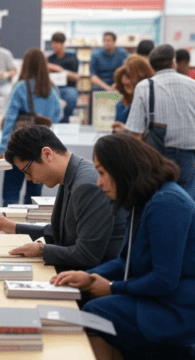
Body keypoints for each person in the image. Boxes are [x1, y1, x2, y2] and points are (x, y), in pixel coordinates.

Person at [51, 133, 195, 359]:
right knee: (87, 303)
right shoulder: (144, 200)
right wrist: (86, 276)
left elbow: (164, 280)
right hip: (160, 301)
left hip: (177, 310)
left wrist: (111, 287)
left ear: (122, 169)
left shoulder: (167, 203)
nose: (98, 182)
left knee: (94, 312)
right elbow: (124, 261)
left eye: (102, 173)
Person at [0, 125, 126, 272]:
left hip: (97, 278)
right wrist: (13, 227)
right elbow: (60, 235)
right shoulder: (72, 175)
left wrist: (42, 250)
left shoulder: (86, 186)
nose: (28, 179)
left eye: (28, 171)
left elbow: (87, 255)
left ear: (47, 154)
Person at [125, 44, 195, 199]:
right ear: (173, 62)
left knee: (160, 198)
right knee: (188, 201)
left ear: (152, 65)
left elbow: (135, 134)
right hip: (190, 155)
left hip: (158, 156)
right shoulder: (192, 85)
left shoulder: (145, 87)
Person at [0, 48, 62, 207]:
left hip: (19, 146)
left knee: (11, 192)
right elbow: (57, 115)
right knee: (34, 196)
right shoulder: (51, 89)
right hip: (42, 147)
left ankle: (10, 226)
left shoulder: (21, 87)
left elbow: (10, 119)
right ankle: (32, 229)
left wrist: (3, 147)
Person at [111, 55, 154, 132]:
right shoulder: (121, 104)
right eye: (124, 86)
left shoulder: (149, 101)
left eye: (128, 85)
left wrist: (126, 130)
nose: (127, 90)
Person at [47, 32, 80, 123]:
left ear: (62, 44)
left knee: (71, 95)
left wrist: (59, 69)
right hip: (52, 87)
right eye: (53, 43)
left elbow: (76, 77)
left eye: (57, 43)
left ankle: (64, 122)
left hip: (67, 87)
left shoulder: (72, 58)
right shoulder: (49, 59)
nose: (54, 46)